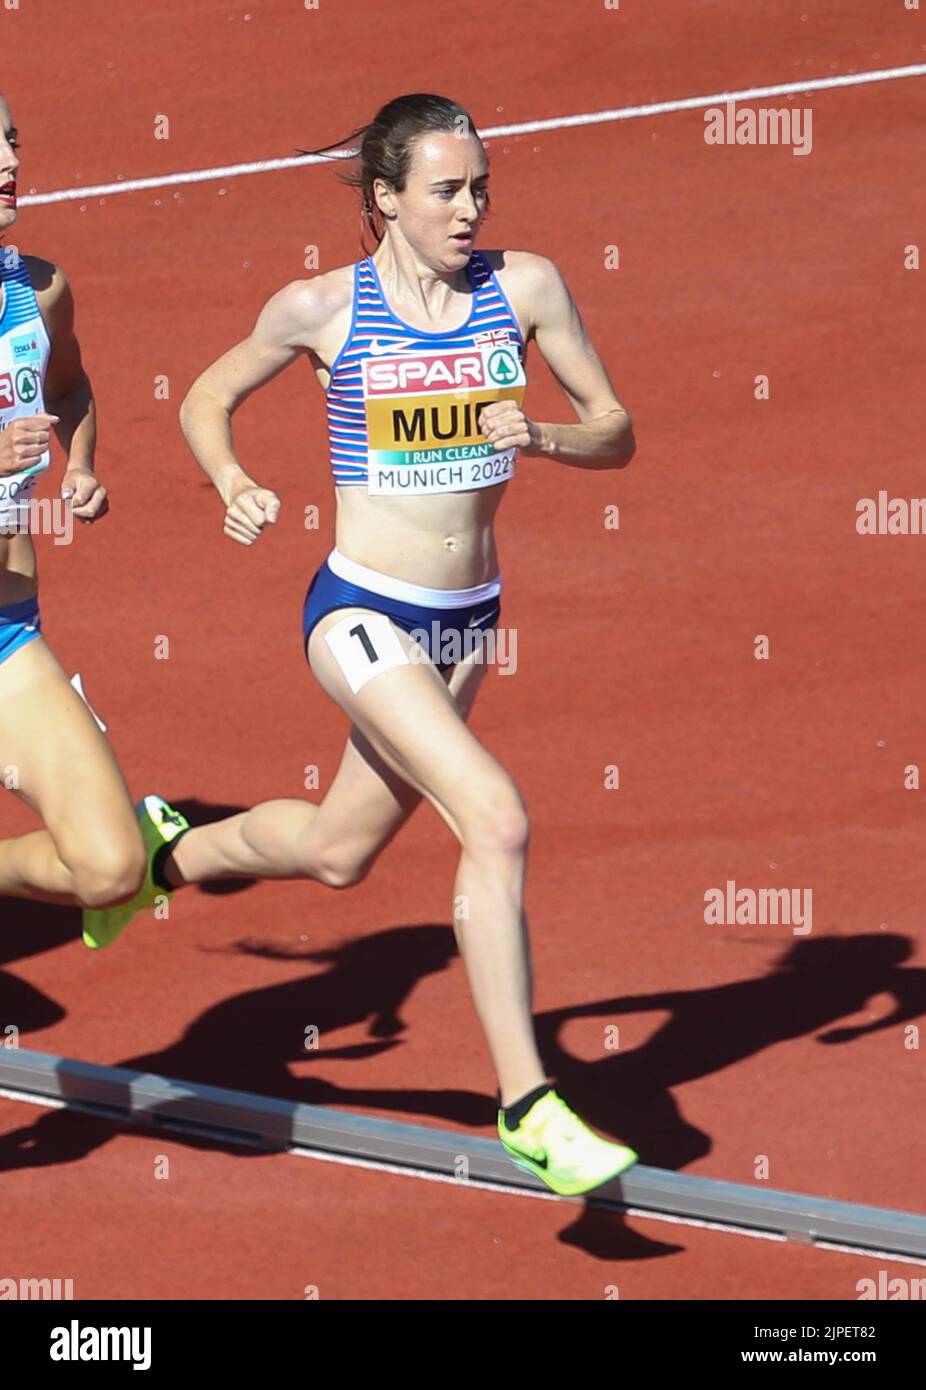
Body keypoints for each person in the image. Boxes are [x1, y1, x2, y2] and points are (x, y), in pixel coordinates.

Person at [83, 93, 639, 1196]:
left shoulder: (523, 289)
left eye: (480, 187)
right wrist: (234, 478)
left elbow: (616, 433)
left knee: (340, 852)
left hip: (468, 622)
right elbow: (207, 393)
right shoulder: (319, 309)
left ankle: (159, 856)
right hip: (358, 613)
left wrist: (544, 434)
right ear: (385, 198)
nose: (470, 208)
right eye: (445, 190)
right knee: (495, 816)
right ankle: (528, 1104)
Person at [0, 92, 189, 922]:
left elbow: (68, 389)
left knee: (111, 867)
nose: (10, 164)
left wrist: (80, 463)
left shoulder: (37, 293)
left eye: (11, 139)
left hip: (6, 630)